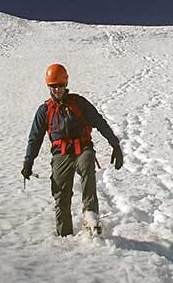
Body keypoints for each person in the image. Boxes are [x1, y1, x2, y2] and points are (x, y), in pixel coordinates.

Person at [22, 63, 123, 236]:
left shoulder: (79, 103)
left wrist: (115, 144)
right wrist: (28, 162)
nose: (57, 90)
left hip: (83, 149)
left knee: (87, 165)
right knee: (60, 195)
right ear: (48, 86)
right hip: (61, 154)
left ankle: (90, 214)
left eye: (60, 85)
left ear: (66, 84)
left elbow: (99, 122)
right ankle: (64, 235)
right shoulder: (45, 110)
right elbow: (35, 138)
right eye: (53, 86)